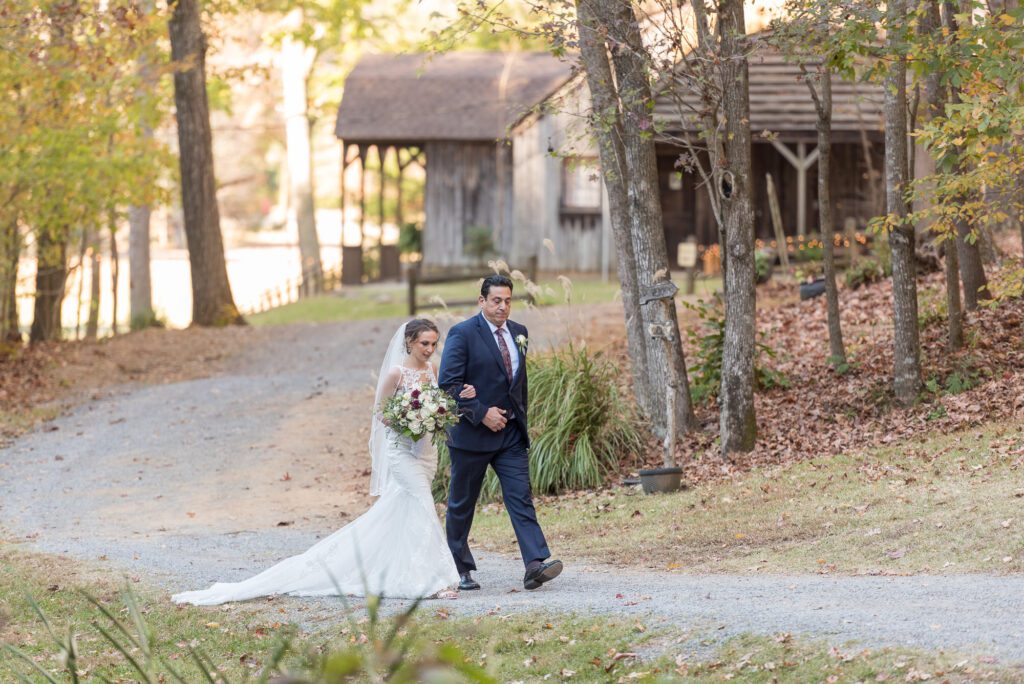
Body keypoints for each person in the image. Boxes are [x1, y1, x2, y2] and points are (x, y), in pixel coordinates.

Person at [172, 319, 473, 605]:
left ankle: (398, 567)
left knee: (403, 511)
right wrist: (409, 418)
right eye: (424, 343)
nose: (429, 349)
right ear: (409, 342)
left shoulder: (432, 371)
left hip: (425, 453)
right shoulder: (396, 374)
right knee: (422, 504)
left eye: (433, 344)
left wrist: (440, 411)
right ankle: (435, 579)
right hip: (401, 451)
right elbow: (380, 412)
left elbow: (441, 405)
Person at [439, 274, 562, 592]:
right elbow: (448, 386)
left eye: (508, 300)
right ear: (482, 301)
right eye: (496, 300)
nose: (503, 306)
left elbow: (518, 384)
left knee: (521, 498)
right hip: (470, 437)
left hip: (509, 436)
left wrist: (520, 421)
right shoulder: (462, 334)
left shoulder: (519, 332)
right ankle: (459, 568)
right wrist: (481, 413)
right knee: (462, 503)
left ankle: (535, 565)